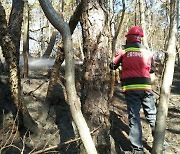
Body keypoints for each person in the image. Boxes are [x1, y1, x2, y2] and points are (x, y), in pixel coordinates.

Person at [110, 26, 157, 154]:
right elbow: (152, 69)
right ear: (140, 38)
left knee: (134, 118)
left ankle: (137, 150)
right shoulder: (147, 51)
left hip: (131, 89)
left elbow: (112, 65)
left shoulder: (124, 50)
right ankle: (159, 144)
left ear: (129, 38)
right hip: (147, 89)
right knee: (152, 116)